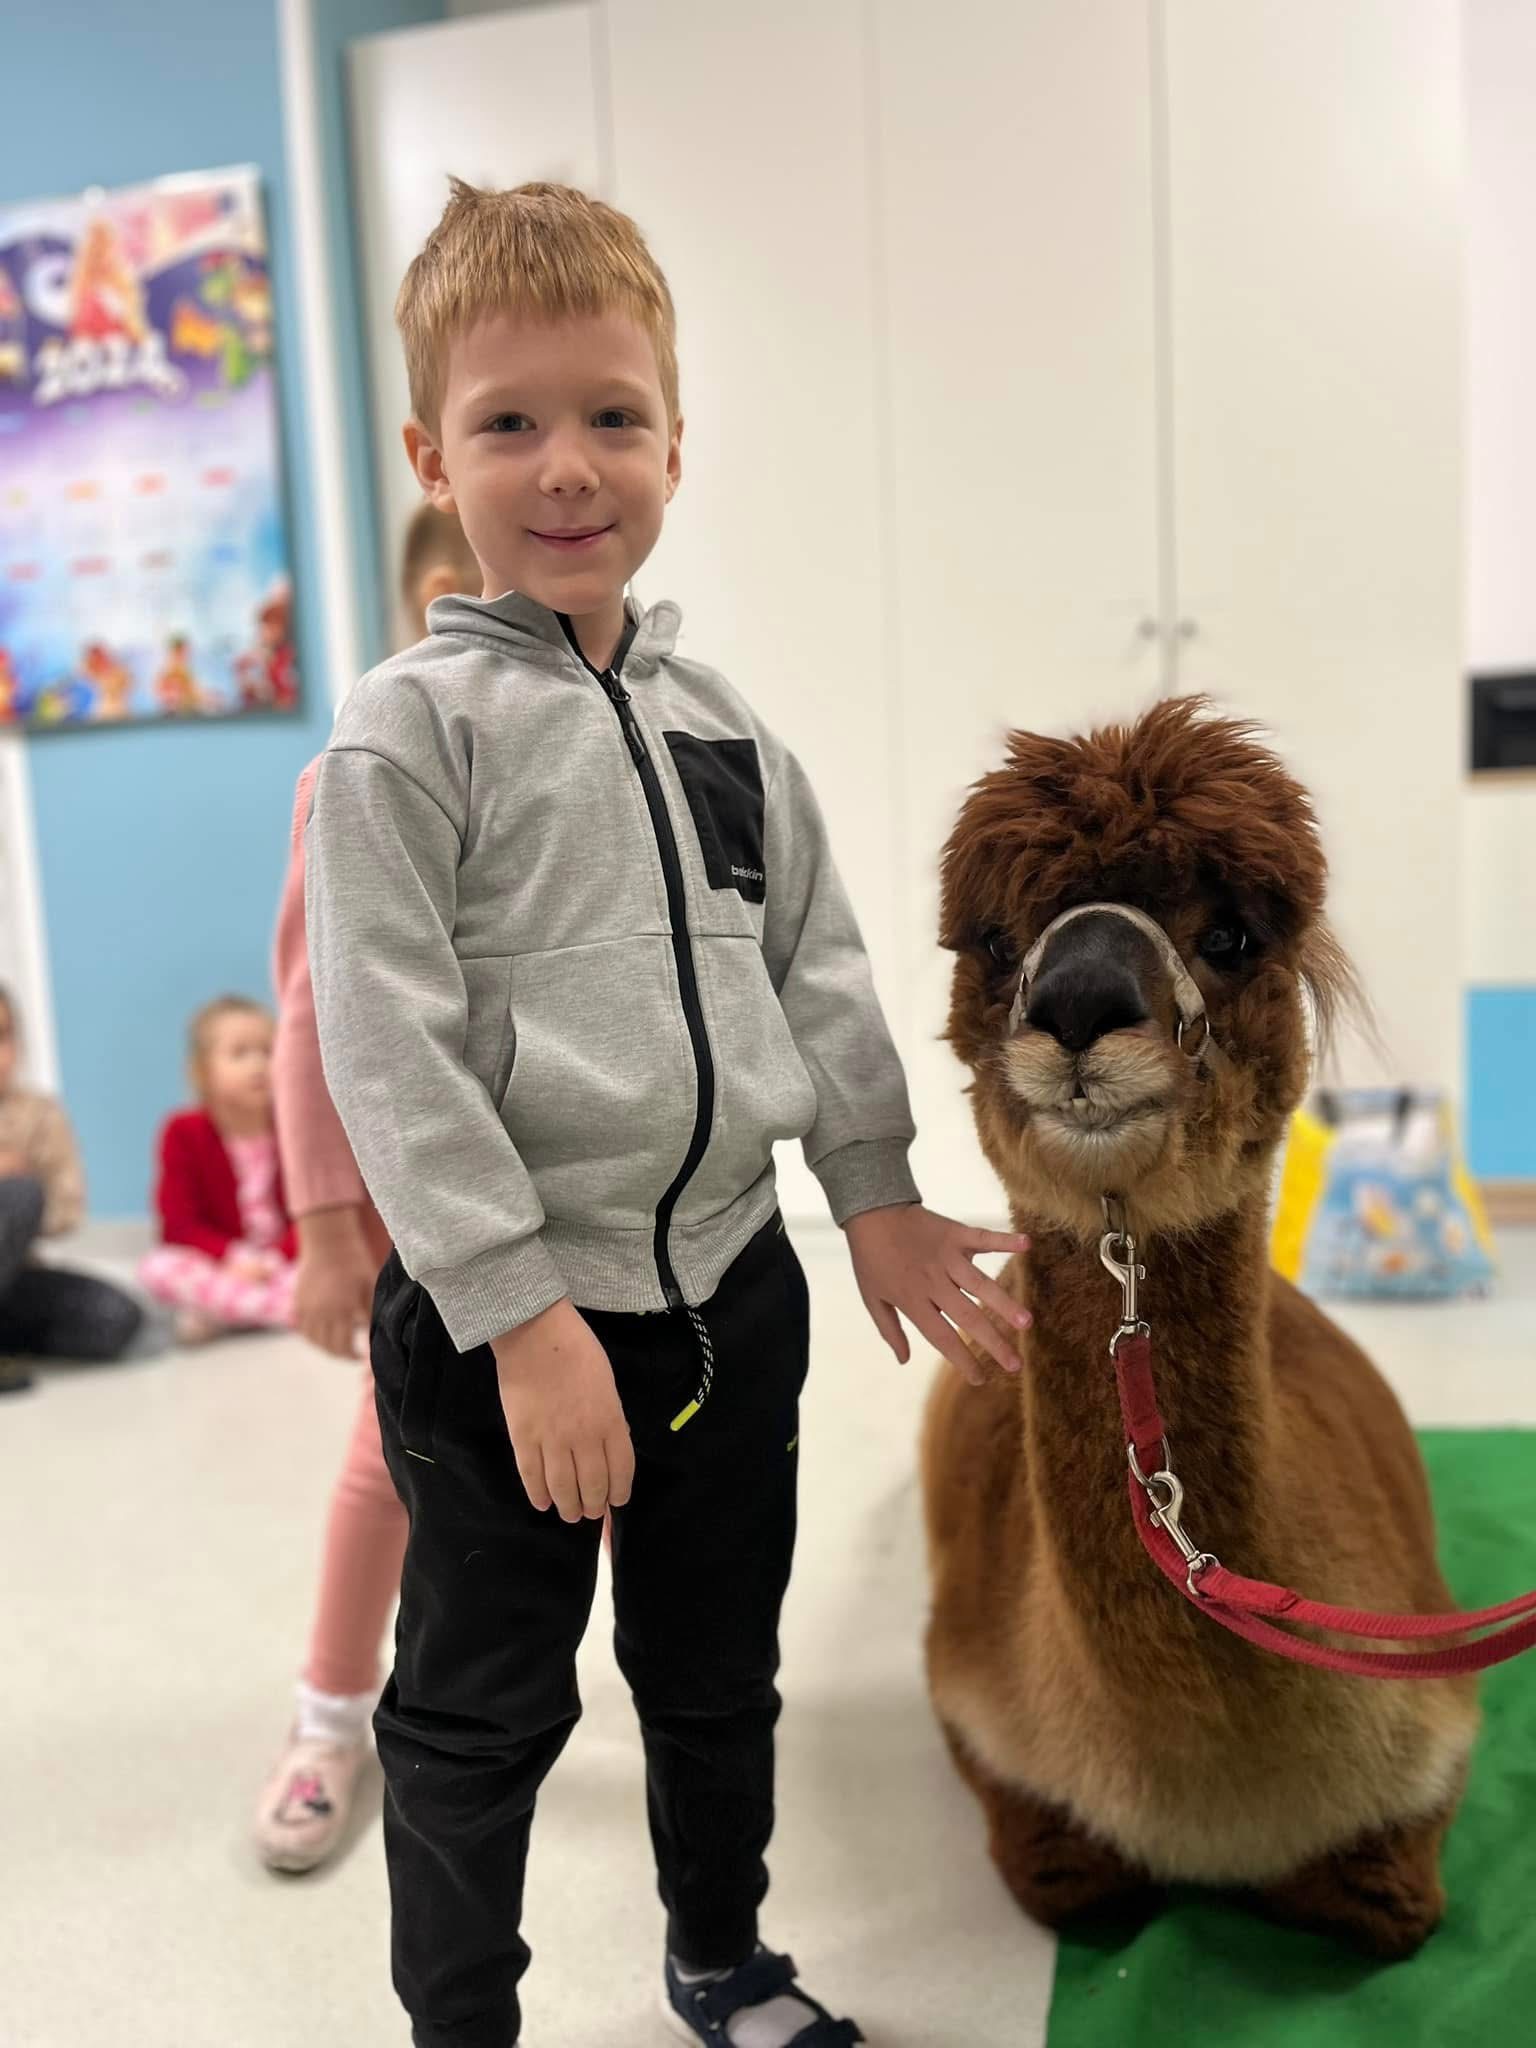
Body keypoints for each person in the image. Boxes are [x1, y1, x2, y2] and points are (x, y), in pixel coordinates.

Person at [306, 180, 1032, 2048]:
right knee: (483, 1712)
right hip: (510, 1334)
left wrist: (873, 1191)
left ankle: (721, 1958)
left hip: (729, 1293)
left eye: (612, 415)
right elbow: (387, 1046)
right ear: (431, 456)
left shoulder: (726, 728)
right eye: (508, 421)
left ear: (677, 444)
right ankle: (460, 2024)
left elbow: (816, 969)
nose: (568, 464)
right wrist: (522, 1314)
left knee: (715, 1676)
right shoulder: (406, 735)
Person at [251, 502, 480, 1874]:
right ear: (450, 585)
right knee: (385, 1464)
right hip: (416, 1204)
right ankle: (331, 1716)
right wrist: (326, 1227)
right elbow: (306, 1012)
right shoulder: (354, 772)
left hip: (561, 1202)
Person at [0, 984, 143, 1393]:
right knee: (19, 1191)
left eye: (3, 1035)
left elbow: (67, 1211)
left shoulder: (40, 1114)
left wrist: (22, 1185)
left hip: (14, 1276)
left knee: (114, 1316)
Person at [139, 996, 298, 1341]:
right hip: (221, 1263)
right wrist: (232, 1257)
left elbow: (307, 1218)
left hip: (282, 1265)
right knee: (157, 1268)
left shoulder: (294, 1129)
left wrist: (273, 1261)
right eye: (240, 1053)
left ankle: (228, 1313)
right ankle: (280, 1310)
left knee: (332, 1267)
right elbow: (179, 1226)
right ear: (203, 1071)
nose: (258, 1065)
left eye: (268, 1051)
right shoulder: (182, 1132)